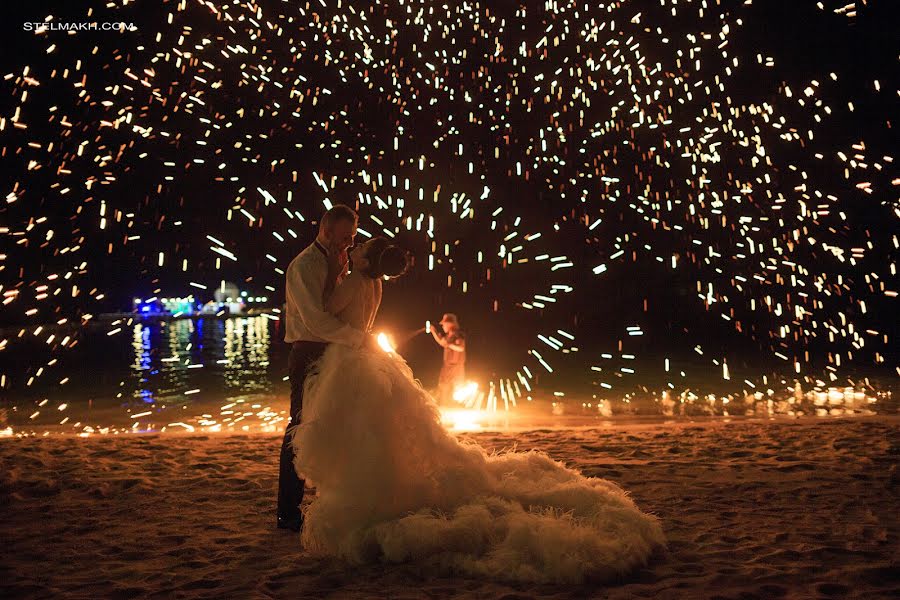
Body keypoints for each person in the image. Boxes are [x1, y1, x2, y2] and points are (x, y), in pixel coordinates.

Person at [290, 246, 664, 584]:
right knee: (381, 426)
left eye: (359, 249)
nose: (352, 249)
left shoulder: (354, 280)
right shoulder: (375, 285)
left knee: (357, 429)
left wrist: (324, 291)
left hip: (351, 355)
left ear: (364, 261)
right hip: (369, 353)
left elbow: (324, 314)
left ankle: (365, 491)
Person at [277, 203, 379, 532]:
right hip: (308, 352)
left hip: (335, 353)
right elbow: (316, 320)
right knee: (301, 425)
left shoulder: (339, 262)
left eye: (353, 237)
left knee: (333, 426)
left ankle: (329, 500)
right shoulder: (304, 266)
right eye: (345, 236)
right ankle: (288, 512)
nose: (350, 243)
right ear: (326, 230)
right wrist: (357, 338)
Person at [429, 312, 466, 404]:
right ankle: (444, 404)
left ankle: (455, 405)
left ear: (450, 324)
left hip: (456, 366)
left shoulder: (458, 335)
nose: (442, 327)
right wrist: (433, 331)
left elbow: (461, 348)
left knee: (457, 387)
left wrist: (449, 344)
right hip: (447, 365)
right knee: (443, 385)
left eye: (444, 324)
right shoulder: (448, 336)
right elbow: (442, 343)